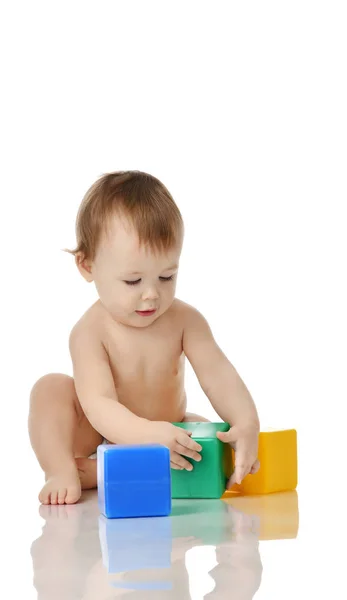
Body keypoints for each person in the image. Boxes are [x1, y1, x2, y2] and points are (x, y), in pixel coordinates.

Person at [28, 170, 260, 505]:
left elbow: (218, 375)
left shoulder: (186, 320)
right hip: (105, 434)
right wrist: (148, 435)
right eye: (133, 281)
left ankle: (105, 473)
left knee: (206, 434)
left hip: (170, 428)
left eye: (167, 276)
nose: (151, 294)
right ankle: (63, 470)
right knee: (49, 389)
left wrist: (245, 420)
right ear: (87, 266)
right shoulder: (90, 331)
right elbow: (99, 404)